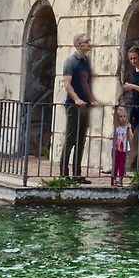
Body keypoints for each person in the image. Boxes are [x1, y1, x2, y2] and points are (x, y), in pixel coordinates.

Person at [58, 33, 96, 182]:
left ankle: (77, 174)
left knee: (81, 140)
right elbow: (67, 83)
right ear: (78, 45)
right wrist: (76, 99)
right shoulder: (70, 61)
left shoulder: (87, 61)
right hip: (74, 106)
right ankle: (63, 173)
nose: (89, 43)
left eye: (89, 40)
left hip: (86, 105)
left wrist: (91, 100)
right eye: (86, 41)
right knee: (70, 139)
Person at [111, 112, 131, 179]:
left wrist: (130, 128)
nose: (123, 118)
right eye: (121, 116)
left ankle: (120, 179)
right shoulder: (115, 127)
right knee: (115, 165)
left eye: (124, 116)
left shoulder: (126, 128)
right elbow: (111, 136)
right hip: (115, 148)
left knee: (122, 165)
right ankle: (114, 178)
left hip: (123, 149)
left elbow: (131, 137)